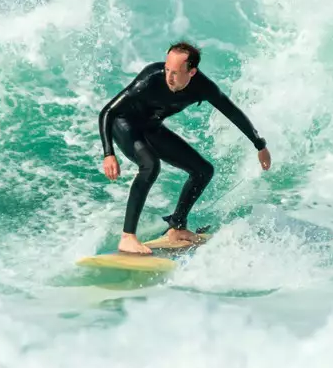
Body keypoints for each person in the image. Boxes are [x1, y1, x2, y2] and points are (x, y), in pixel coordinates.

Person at [98, 41, 271, 254]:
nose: (168, 77)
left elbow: (232, 112)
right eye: (167, 69)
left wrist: (259, 145)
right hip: (124, 124)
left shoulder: (203, 87)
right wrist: (109, 154)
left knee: (203, 170)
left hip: (151, 127)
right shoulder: (151, 78)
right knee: (150, 165)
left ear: (192, 72)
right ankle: (127, 237)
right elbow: (107, 111)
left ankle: (177, 227)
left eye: (175, 72)